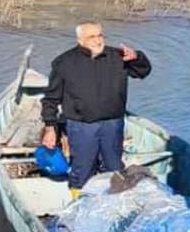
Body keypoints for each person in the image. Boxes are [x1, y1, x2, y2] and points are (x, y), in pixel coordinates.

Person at [41, 22, 151, 195]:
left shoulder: (118, 56)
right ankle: (79, 206)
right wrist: (50, 128)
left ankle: (113, 206)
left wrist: (137, 57)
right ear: (80, 39)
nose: (98, 40)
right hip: (81, 126)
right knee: (82, 170)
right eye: (92, 37)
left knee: (114, 168)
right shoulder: (64, 63)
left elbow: (143, 72)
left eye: (100, 35)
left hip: (113, 124)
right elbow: (51, 98)